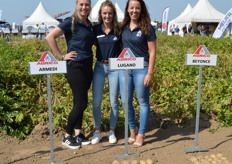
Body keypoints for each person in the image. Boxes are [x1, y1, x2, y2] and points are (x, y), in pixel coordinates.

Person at [46, 0, 94, 149]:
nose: (84, 7)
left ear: (90, 6)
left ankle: (78, 134)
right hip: (75, 67)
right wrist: (61, 56)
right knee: (81, 103)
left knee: (78, 101)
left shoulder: (89, 24)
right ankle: (67, 136)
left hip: (87, 66)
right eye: (81, 4)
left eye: (87, 4)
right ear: (76, 5)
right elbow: (50, 37)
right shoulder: (70, 21)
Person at [119, 0, 157, 147]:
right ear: (127, 10)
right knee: (126, 101)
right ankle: (132, 130)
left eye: (137, 8)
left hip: (142, 68)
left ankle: (141, 134)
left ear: (141, 10)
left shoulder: (147, 27)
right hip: (125, 69)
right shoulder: (123, 27)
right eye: (131, 8)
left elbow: (152, 51)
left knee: (143, 102)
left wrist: (149, 73)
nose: (134, 10)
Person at [91, 1, 121, 144]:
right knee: (96, 102)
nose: (107, 16)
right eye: (105, 13)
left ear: (113, 14)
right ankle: (97, 130)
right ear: (100, 14)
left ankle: (112, 131)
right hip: (99, 67)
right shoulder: (95, 29)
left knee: (114, 102)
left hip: (115, 68)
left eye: (110, 13)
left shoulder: (119, 29)